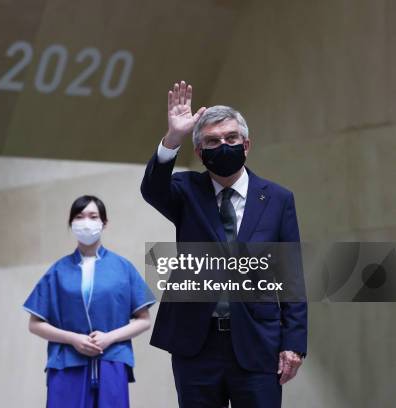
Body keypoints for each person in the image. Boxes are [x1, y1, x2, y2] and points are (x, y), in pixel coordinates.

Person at [140, 81, 307, 408]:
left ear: (246, 145)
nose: (224, 145)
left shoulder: (277, 198)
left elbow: (292, 276)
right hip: (196, 343)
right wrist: (173, 138)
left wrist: (294, 343)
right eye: (213, 141)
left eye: (232, 139)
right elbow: (152, 189)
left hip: (258, 342)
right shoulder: (186, 190)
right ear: (200, 152)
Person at [23, 195, 156, 407]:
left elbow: (144, 320)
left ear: (104, 223)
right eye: (79, 216)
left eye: (93, 216)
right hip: (66, 362)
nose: (86, 222)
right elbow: (35, 324)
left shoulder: (123, 268)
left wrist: (109, 338)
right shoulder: (58, 271)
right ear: (71, 223)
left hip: (112, 360)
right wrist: (73, 339)